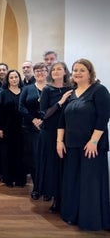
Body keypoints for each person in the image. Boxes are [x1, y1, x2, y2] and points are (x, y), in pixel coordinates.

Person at [56, 58, 110, 231]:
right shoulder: (71, 93)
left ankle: (90, 220)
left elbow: (103, 118)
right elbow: (62, 120)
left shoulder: (99, 90)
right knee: (72, 181)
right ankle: (73, 215)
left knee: (89, 183)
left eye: (82, 70)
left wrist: (94, 141)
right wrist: (59, 141)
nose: (77, 73)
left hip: (91, 146)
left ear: (90, 73)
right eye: (75, 70)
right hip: (71, 145)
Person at [36, 61, 72, 212]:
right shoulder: (47, 90)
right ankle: (55, 199)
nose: (56, 71)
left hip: (68, 132)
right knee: (52, 166)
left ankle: (65, 198)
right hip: (50, 133)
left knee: (65, 166)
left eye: (59, 69)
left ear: (65, 72)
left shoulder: (72, 88)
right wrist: (60, 102)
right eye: (54, 69)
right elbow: (44, 114)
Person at [19, 62, 48, 194]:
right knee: (35, 158)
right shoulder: (27, 89)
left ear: (47, 73)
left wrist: (43, 120)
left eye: (42, 71)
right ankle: (37, 188)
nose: (40, 73)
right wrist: (33, 119)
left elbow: (56, 107)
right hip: (30, 128)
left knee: (47, 158)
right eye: (37, 71)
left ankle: (48, 188)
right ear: (34, 73)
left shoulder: (52, 88)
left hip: (48, 128)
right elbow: (21, 107)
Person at [0, 70, 26, 187]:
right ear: (8, 80)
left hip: (22, 128)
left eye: (16, 77)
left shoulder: (24, 91)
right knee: (7, 153)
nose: (14, 79)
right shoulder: (3, 93)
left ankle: (20, 179)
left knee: (21, 153)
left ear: (19, 78)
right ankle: (8, 178)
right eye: (11, 77)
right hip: (7, 128)